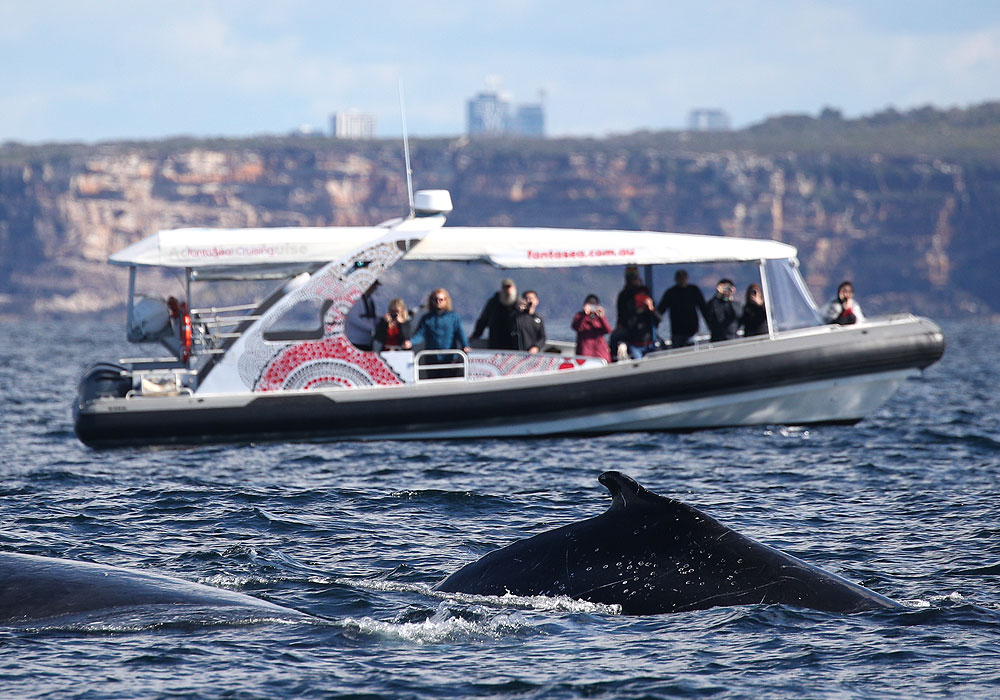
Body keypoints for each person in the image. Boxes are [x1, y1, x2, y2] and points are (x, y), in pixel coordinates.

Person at [406, 288, 471, 377]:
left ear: (446, 300)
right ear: (431, 301)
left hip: (450, 358)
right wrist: (410, 342)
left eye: (441, 299)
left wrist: (465, 346)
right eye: (435, 299)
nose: (438, 302)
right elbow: (420, 334)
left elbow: (460, 334)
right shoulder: (427, 318)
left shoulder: (454, 317)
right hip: (432, 358)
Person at [656, 269, 706, 348]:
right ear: (676, 279)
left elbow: (704, 308)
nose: (682, 280)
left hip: (692, 331)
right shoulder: (671, 293)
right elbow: (661, 310)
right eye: (680, 278)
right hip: (677, 332)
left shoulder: (694, 290)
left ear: (687, 278)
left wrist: (709, 324)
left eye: (683, 278)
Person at [610, 265, 650, 360]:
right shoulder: (624, 295)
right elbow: (622, 314)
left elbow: (654, 316)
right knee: (615, 337)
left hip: (644, 332)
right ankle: (614, 359)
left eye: (635, 277)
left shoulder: (644, 292)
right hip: (629, 327)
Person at [471, 278, 519, 350]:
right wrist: (476, 335)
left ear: (514, 288)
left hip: (515, 343)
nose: (507, 290)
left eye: (509, 287)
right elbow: (483, 320)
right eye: (505, 288)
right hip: (496, 340)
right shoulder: (493, 302)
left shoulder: (519, 304)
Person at [571, 294, 612, 361]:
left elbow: (608, 330)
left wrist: (602, 317)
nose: (592, 308)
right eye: (590, 305)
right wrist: (585, 315)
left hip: (601, 353)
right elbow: (576, 327)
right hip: (585, 353)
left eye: (594, 305)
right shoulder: (580, 316)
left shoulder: (599, 317)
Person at [344, 281, 380, 351]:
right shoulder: (355, 300)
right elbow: (354, 318)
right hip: (355, 341)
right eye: (374, 286)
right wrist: (375, 327)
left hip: (366, 341)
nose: (375, 288)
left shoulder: (369, 300)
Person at [625, 292, 662, 359]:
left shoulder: (649, 315)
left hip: (650, 345)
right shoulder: (632, 316)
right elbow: (630, 326)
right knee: (638, 363)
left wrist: (651, 308)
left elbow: (659, 319)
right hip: (636, 346)